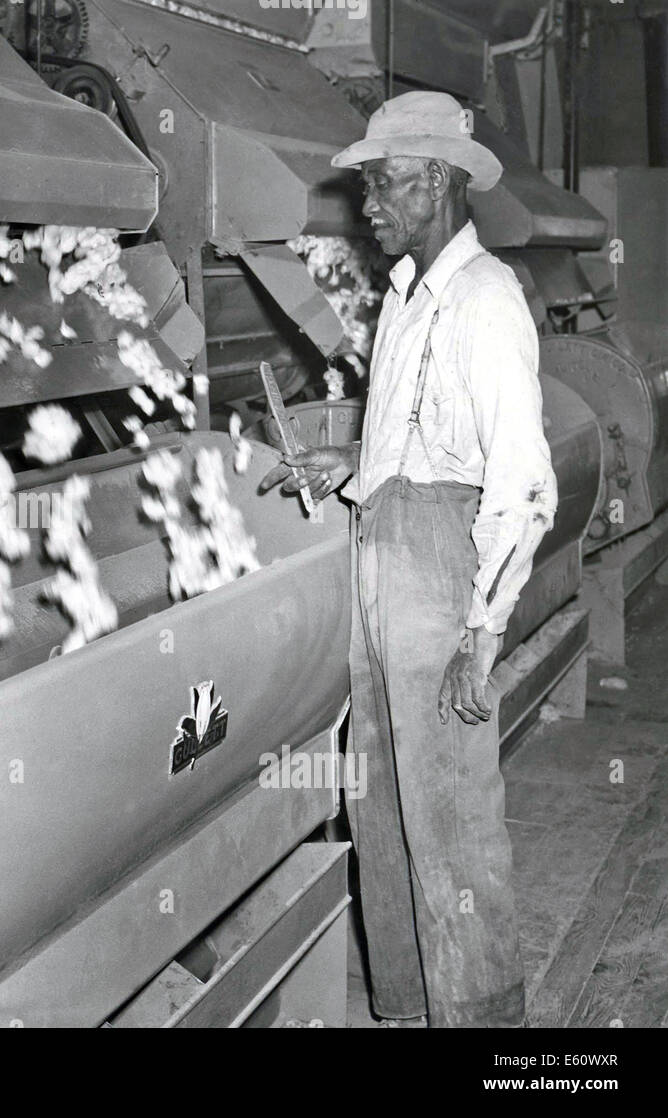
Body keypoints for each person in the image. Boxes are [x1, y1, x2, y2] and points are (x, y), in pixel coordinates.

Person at [260, 90, 558, 1028]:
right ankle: (404, 1006)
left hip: (439, 575)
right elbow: (423, 445)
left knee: (452, 817)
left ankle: (485, 1028)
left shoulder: (485, 299)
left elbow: (521, 478)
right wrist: (351, 463)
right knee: (380, 805)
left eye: (384, 185)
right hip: (380, 556)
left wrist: (484, 630)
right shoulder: (404, 298)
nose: (368, 207)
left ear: (436, 180)